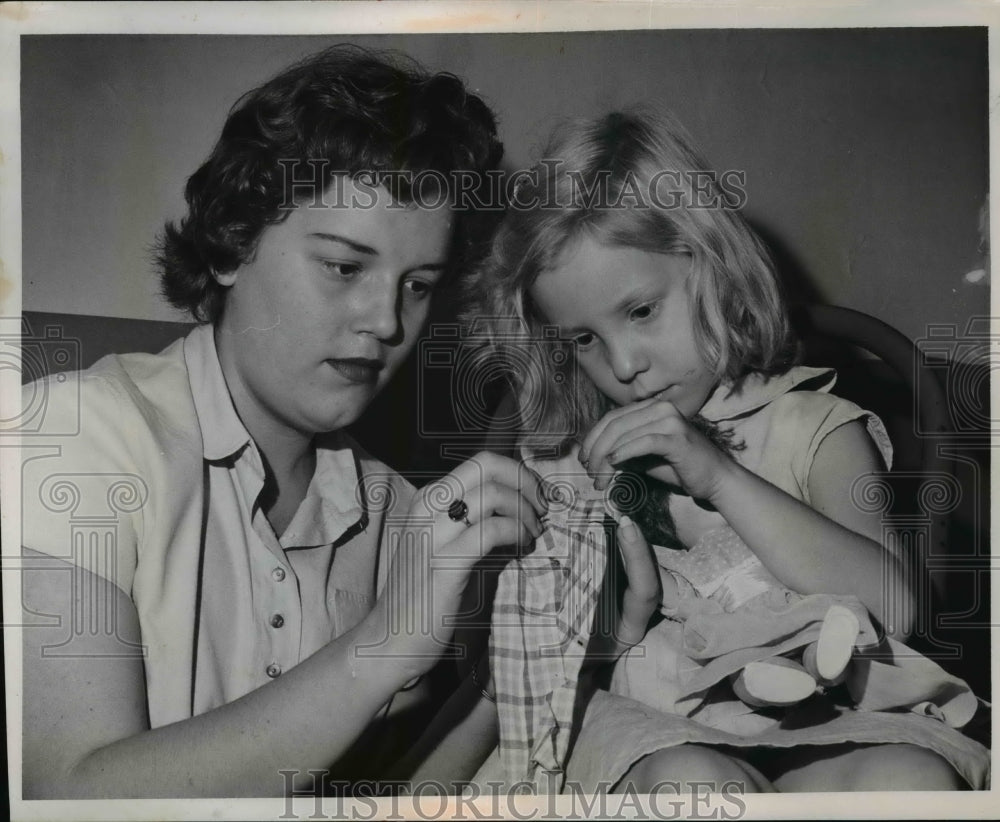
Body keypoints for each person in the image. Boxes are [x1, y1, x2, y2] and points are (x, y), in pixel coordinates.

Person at [18, 46, 661, 799]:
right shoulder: (74, 435)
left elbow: (372, 803)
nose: (386, 320)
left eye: (417, 285)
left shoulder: (394, 508)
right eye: (344, 267)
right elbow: (65, 794)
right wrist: (381, 646)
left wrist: (542, 661)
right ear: (232, 241)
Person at [469, 109, 989, 792]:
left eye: (641, 311)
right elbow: (537, 666)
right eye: (583, 340)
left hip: (830, 718)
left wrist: (721, 479)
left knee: (909, 778)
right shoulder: (566, 460)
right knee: (692, 783)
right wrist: (611, 623)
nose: (623, 365)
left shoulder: (815, 426)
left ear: (714, 269)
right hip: (654, 727)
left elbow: (897, 608)